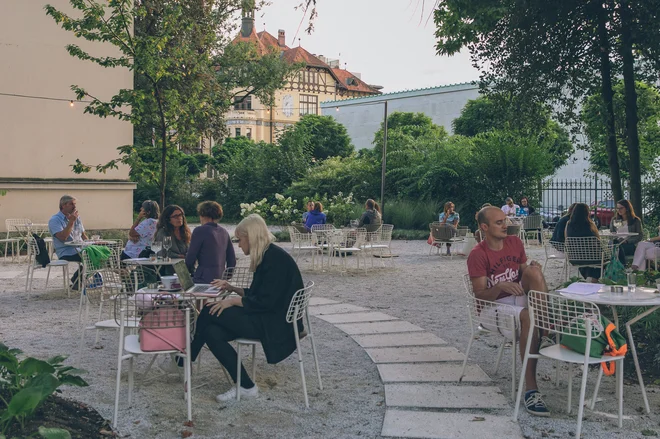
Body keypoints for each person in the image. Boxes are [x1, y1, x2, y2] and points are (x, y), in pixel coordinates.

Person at [186, 214, 305, 401]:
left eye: (240, 239)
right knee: (211, 332)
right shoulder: (268, 255)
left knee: (209, 310)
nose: (239, 245)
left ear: (251, 236)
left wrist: (232, 301)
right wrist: (232, 288)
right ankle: (246, 386)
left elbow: (266, 301)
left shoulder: (274, 259)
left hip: (276, 324)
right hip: (269, 317)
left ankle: (186, 358)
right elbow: (261, 294)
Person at [467, 206, 550, 416]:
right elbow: (479, 295)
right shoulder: (478, 254)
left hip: (516, 298)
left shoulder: (514, 242)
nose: (506, 225)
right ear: (485, 227)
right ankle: (531, 389)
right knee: (528, 316)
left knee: (534, 272)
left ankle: (546, 331)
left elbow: (523, 274)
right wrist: (500, 287)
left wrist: (534, 270)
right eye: (499, 222)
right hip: (492, 307)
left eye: (506, 220)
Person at [185, 201, 236, 284]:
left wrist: (187, 273)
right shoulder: (224, 232)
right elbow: (232, 259)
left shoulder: (199, 231)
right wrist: (226, 277)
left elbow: (191, 257)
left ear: (202, 214)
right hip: (220, 278)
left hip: (202, 278)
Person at [48, 195, 88, 290]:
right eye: (71, 204)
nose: (74, 207)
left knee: (97, 254)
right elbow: (63, 237)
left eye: (75, 204)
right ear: (63, 205)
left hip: (80, 248)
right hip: (66, 251)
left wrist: (91, 243)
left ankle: (76, 280)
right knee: (91, 257)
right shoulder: (55, 220)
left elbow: (83, 234)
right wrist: (71, 222)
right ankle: (77, 281)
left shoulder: (76, 217)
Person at [565, 203, 602, 281]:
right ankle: (592, 277)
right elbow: (598, 241)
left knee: (585, 260)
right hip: (592, 257)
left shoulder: (569, 224)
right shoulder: (590, 225)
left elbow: (566, 239)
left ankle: (588, 276)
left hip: (575, 257)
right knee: (604, 258)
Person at [610, 199, 642, 263]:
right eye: (617, 208)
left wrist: (627, 241)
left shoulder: (635, 220)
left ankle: (620, 267)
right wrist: (617, 239)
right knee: (615, 246)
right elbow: (611, 233)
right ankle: (622, 267)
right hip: (616, 243)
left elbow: (640, 236)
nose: (619, 210)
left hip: (629, 244)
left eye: (621, 208)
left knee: (617, 248)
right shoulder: (614, 220)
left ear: (627, 208)